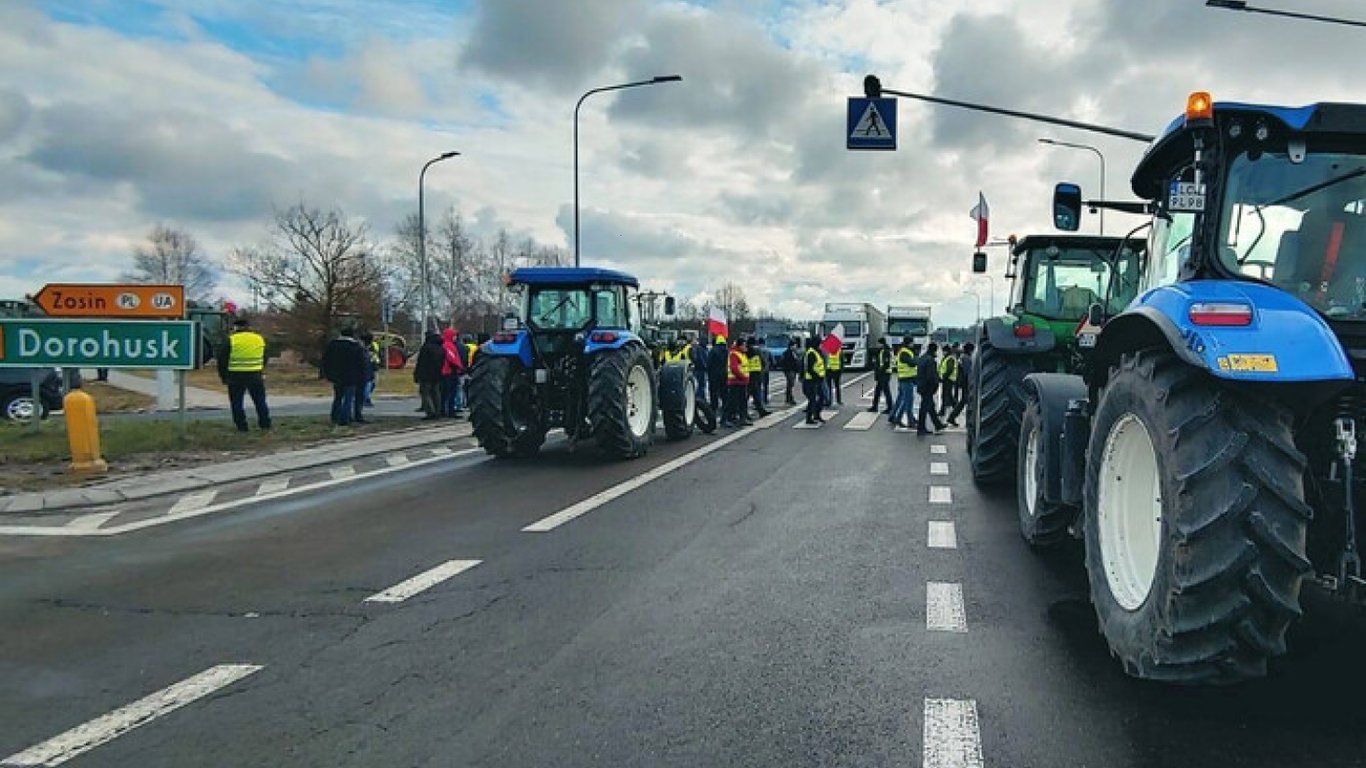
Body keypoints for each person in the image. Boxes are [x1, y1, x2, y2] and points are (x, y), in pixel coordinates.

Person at [217, 316, 271, 432]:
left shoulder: (231, 340)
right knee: (260, 401)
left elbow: (222, 359)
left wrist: (223, 376)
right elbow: (265, 356)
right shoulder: (259, 339)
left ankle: (242, 427)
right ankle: (265, 424)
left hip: (235, 375)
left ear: (236, 328)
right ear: (249, 327)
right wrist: (260, 369)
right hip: (255, 374)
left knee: (237, 402)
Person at [321, 327, 368, 427]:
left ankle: (335, 416)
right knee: (348, 398)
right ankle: (345, 418)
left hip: (336, 376)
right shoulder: (355, 346)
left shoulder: (332, 345)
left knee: (337, 397)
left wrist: (327, 374)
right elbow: (361, 363)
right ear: (352, 335)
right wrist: (363, 376)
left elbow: (325, 360)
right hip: (351, 377)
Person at [917, 343, 948, 436]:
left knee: (930, 406)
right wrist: (936, 384)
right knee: (924, 408)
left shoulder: (922, 358)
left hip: (922, 385)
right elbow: (931, 376)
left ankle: (938, 425)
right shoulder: (930, 361)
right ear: (934, 350)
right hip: (927, 387)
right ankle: (921, 428)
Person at [413, 331, 445, 420]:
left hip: (425, 374)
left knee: (425, 393)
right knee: (436, 393)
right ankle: (438, 411)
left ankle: (430, 412)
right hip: (438, 374)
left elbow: (420, 362)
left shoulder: (426, 347)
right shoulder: (440, 348)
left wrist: (416, 374)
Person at [888, 339, 917, 428]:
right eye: (912, 342)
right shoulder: (905, 352)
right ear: (909, 343)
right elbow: (912, 363)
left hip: (903, 378)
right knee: (908, 401)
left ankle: (893, 416)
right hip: (906, 379)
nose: (913, 344)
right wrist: (917, 359)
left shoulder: (902, 351)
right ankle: (909, 421)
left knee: (901, 400)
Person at [724, 337, 751, 427]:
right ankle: (728, 419)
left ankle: (742, 419)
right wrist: (743, 377)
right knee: (733, 402)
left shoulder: (742, 354)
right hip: (735, 382)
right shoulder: (734, 354)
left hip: (742, 382)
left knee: (742, 402)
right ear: (739, 346)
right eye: (744, 345)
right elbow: (734, 368)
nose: (745, 347)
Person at [946, 342, 975, 427]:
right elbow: (968, 372)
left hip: (963, 382)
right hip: (967, 382)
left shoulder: (963, 357)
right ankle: (967, 421)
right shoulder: (967, 358)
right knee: (968, 401)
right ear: (970, 350)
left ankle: (952, 417)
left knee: (963, 401)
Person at [440, 327, 466, 417]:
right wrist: (460, 367)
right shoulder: (449, 346)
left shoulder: (444, 344)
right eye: (454, 335)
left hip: (446, 372)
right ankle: (450, 411)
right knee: (451, 393)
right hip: (450, 372)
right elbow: (452, 358)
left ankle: (443, 410)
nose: (455, 337)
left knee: (445, 393)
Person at [802, 337, 826, 425]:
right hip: (811, 380)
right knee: (812, 399)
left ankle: (816, 414)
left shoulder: (816, 352)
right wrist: (817, 376)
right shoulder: (811, 353)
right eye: (820, 343)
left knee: (821, 397)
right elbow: (810, 368)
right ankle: (809, 418)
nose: (821, 345)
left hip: (817, 379)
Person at [354, 330, 377, 423]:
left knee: (363, 392)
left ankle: (359, 410)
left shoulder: (363, 348)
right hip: (364, 374)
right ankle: (358, 413)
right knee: (361, 394)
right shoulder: (362, 349)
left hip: (367, 373)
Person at [746, 338, 770, 418]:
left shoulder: (745, 352)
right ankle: (761, 410)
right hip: (756, 374)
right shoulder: (757, 351)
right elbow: (763, 362)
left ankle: (745, 412)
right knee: (756, 394)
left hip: (748, 374)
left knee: (747, 395)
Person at [868, 337, 893, 414]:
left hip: (884, 374)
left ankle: (889, 408)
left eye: (878, 343)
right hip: (883, 374)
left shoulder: (885, 351)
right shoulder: (883, 350)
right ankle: (875, 406)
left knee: (886, 392)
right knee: (878, 391)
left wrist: (879, 371)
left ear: (881, 343)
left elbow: (886, 364)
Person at [707, 335, 729, 413]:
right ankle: (725, 407)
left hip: (714, 375)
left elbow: (708, 363)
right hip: (724, 374)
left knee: (714, 392)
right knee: (724, 392)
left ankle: (714, 407)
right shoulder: (726, 351)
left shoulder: (713, 350)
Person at [938, 342, 960, 419]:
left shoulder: (950, 358)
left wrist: (944, 377)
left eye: (943, 351)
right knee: (948, 396)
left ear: (946, 351)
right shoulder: (947, 357)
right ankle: (953, 409)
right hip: (947, 379)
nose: (943, 352)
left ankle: (945, 410)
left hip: (948, 380)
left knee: (946, 396)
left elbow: (949, 369)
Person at [781, 339, 800, 405]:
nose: (796, 347)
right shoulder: (787, 353)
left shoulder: (794, 352)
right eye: (795, 345)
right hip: (789, 370)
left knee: (790, 384)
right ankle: (790, 398)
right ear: (791, 346)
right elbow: (786, 362)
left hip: (793, 371)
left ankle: (788, 398)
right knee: (790, 384)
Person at [691, 337, 708, 404]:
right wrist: (705, 367)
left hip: (696, 369)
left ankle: (702, 399)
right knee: (701, 385)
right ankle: (699, 400)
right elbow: (701, 360)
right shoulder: (700, 349)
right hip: (700, 369)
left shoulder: (693, 349)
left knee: (700, 385)